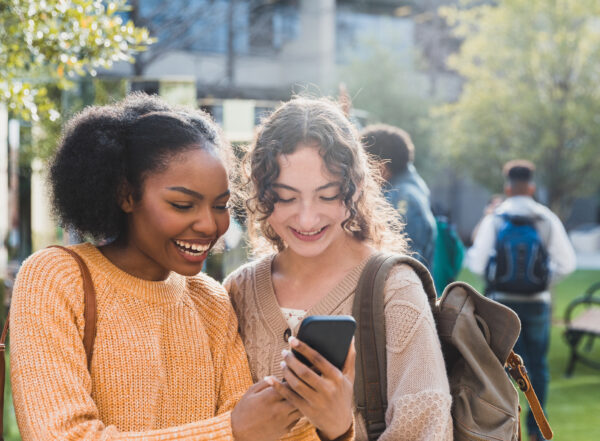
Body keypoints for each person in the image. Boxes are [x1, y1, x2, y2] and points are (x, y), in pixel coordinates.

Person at [9, 93, 355, 441]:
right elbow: (61, 435)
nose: (209, 225)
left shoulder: (211, 302)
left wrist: (334, 427)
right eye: (183, 204)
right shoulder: (56, 278)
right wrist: (231, 431)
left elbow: (259, 433)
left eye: (220, 206)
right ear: (125, 195)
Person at [225, 97, 452, 441]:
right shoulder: (237, 290)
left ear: (356, 187)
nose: (306, 218)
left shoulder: (396, 292)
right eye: (285, 197)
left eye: (327, 195)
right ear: (259, 190)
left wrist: (339, 429)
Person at [467, 160, 576, 441]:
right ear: (531, 187)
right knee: (537, 364)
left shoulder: (496, 218)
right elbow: (567, 263)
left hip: (502, 303)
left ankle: (506, 425)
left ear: (507, 188)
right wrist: (540, 282)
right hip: (537, 302)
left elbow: (477, 263)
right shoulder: (546, 218)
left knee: (502, 365)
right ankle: (537, 428)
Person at [360, 124, 437, 270]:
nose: (359, 172)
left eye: (362, 163)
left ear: (380, 166)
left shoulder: (404, 200)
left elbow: (405, 267)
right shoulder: (409, 188)